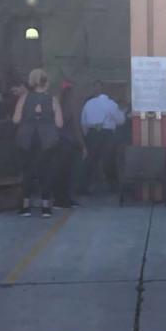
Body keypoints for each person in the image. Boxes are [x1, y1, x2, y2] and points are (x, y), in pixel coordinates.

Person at [13, 68, 63, 218]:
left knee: (27, 172)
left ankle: (25, 207)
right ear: (46, 82)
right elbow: (60, 124)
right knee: (46, 172)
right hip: (47, 140)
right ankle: (46, 207)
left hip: (26, 139)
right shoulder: (53, 100)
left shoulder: (24, 98)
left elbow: (15, 119)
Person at [80, 81, 125, 193]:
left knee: (90, 161)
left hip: (92, 133)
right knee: (108, 160)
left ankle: (84, 187)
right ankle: (113, 187)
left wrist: (87, 135)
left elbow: (83, 122)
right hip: (107, 134)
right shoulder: (111, 104)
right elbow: (121, 121)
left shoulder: (88, 103)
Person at [53, 80, 86, 209]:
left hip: (58, 142)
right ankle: (65, 199)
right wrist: (83, 145)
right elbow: (76, 128)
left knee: (59, 172)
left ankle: (59, 199)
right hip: (70, 143)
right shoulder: (72, 105)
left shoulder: (56, 104)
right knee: (68, 174)